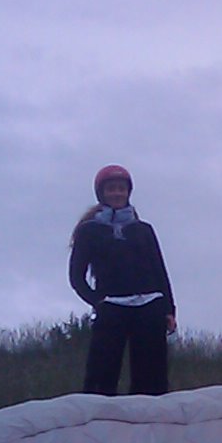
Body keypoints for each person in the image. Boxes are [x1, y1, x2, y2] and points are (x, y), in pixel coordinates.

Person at [69, 165, 177, 395]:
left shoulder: (143, 229)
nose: (117, 193)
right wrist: (98, 302)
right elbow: (76, 276)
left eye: (121, 188)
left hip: (150, 305)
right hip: (112, 307)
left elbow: (159, 270)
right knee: (100, 375)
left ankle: (150, 415)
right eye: (111, 189)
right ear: (102, 194)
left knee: (152, 378)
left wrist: (169, 310)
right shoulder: (88, 231)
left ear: (128, 192)